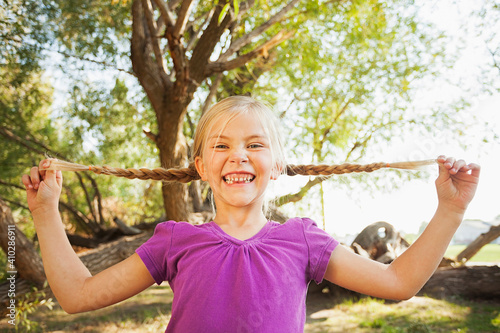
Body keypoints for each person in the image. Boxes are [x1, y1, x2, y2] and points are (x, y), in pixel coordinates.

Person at [22, 96, 480, 332]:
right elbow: (77, 297)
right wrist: (45, 214)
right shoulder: (174, 241)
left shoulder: (303, 241)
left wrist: (451, 211)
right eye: (221, 146)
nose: (238, 156)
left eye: (255, 145)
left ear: (276, 165)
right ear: (201, 166)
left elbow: (398, 283)